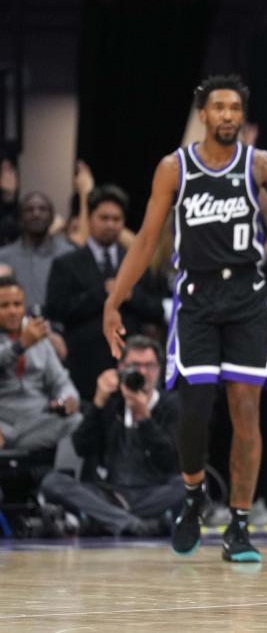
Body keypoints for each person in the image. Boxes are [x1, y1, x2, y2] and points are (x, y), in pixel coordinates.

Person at [102, 74, 267, 564]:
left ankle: (238, 524)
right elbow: (149, 238)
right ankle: (193, 495)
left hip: (246, 298)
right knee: (195, 410)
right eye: (219, 107)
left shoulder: (260, 164)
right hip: (195, 297)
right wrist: (115, 300)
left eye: (235, 108)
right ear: (203, 113)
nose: (228, 116)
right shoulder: (173, 169)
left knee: (245, 412)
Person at [40, 336, 183, 536]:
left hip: (153, 492)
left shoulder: (171, 404)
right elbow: (82, 446)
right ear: (121, 368)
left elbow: (172, 461)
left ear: (159, 369)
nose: (142, 372)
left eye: (149, 366)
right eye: (135, 365)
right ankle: (132, 523)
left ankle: (108, 519)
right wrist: (98, 403)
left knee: (189, 485)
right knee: (52, 482)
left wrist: (144, 418)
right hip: (110, 493)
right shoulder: (111, 401)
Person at [47, 185, 164, 401]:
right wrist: (102, 293)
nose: (111, 224)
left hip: (131, 365)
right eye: (104, 218)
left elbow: (158, 310)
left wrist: (132, 296)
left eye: (116, 219)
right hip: (83, 366)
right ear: (89, 218)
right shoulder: (66, 263)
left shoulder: (138, 262)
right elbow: (55, 310)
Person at [0, 276, 81, 467]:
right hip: (2, 423)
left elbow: (60, 381)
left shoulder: (38, 334)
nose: (13, 311)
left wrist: (68, 399)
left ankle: (63, 486)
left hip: (36, 422)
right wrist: (19, 346)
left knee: (76, 422)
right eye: (4, 306)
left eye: (17, 304)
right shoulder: (29, 337)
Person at [0, 191, 73, 308]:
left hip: (59, 323)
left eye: (43, 209)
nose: (36, 214)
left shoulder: (69, 254)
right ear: (19, 217)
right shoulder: (3, 258)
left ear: (52, 217)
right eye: (29, 209)